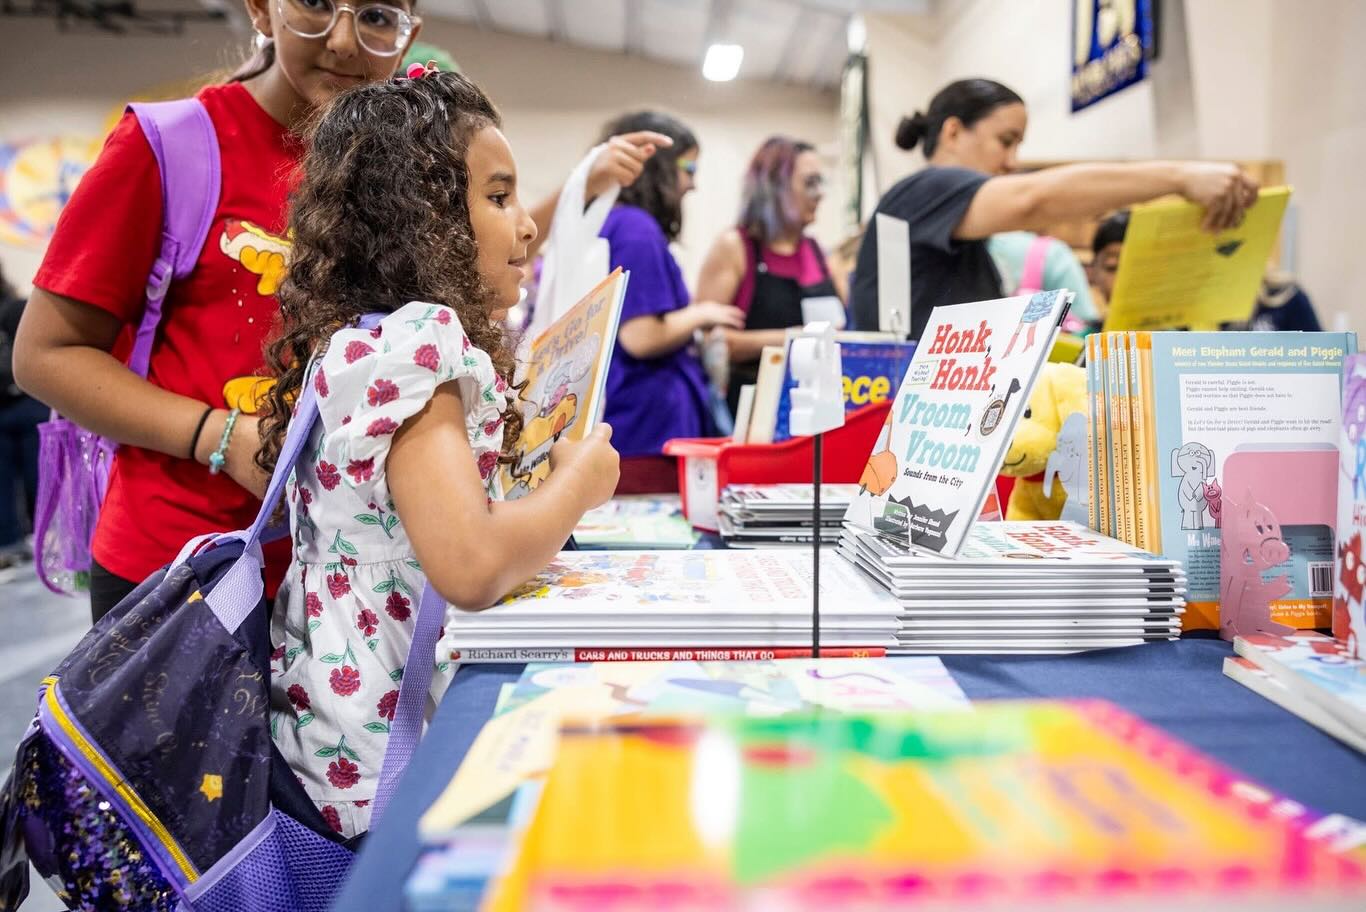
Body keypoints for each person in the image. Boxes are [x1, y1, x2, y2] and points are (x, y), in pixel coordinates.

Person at [14, 0, 656, 623]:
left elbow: (472, 245)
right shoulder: (172, 146)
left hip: (351, 589)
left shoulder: (399, 163)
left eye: (378, 16)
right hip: (187, 573)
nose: (346, 40)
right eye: (317, 3)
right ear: (262, 9)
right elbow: (46, 354)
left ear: (409, 33)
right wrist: (220, 436)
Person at [258, 67, 619, 838]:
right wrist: (577, 486)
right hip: (383, 757)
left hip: (344, 732)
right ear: (421, 219)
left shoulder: (365, 342)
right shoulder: (416, 345)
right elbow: (471, 563)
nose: (526, 225)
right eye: (497, 197)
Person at [849, 78, 1259, 340]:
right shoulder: (927, 188)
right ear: (953, 131)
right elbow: (1034, 200)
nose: (1011, 161)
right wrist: (1180, 178)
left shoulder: (939, 220)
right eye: (1005, 141)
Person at [596, 111, 745, 492]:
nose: (692, 184)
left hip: (640, 428)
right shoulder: (636, 229)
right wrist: (701, 314)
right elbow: (640, 336)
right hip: (645, 432)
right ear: (657, 165)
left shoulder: (621, 224)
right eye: (689, 167)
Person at [694, 136, 841, 415]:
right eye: (809, 183)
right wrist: (797, 339)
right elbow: (711, 341)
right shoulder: (734, 247)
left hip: (815, 409)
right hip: (749, 412)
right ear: (774, 186)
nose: (819, 193)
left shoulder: (819, 254)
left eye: (821, 182)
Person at [0, 268, 44, 574]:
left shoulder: (17, 308)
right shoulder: (17, 308)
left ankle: (20, 540)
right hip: (25, 403)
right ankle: (36, 538)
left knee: (31, 477)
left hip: (22, 405)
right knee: (34, 477)